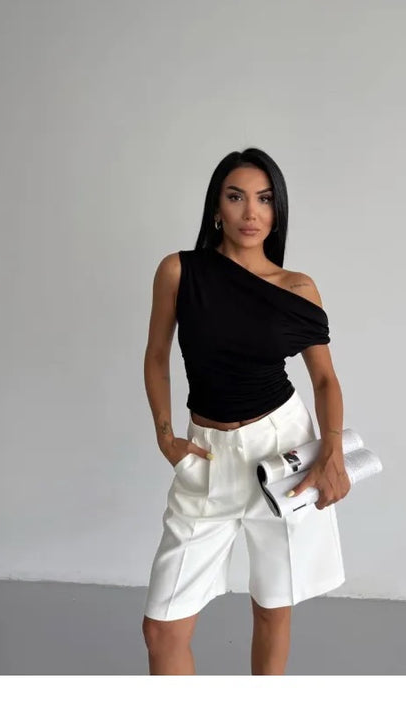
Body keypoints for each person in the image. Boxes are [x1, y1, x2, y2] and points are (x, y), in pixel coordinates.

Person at [141, 147, 351, 675]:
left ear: (277, 210)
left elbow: (324, 379)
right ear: (217, 207)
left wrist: (332, 453)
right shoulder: (179, 271)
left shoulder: (297, 287)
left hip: (281, 450)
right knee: (162, 628)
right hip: (206, 455)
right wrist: (166, 436)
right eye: (236, 197)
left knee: (272, 607)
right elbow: (157, 355)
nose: (251, 212)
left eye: (264, 199)